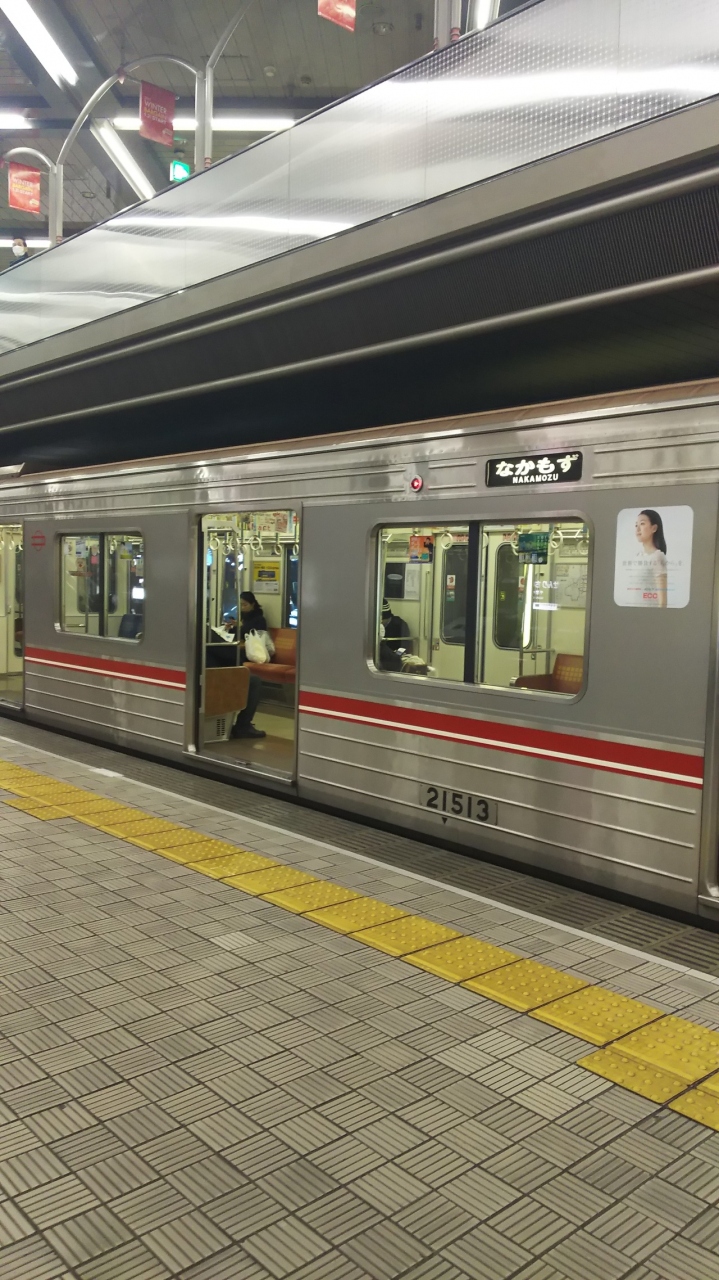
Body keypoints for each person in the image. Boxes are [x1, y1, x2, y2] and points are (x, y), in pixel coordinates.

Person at [634, 509, 668, 608]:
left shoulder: (657, 556)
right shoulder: (638, 557)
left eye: (642, 524)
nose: (637, 529)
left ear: (654, 528)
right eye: (636, 525)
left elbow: (662, 602)